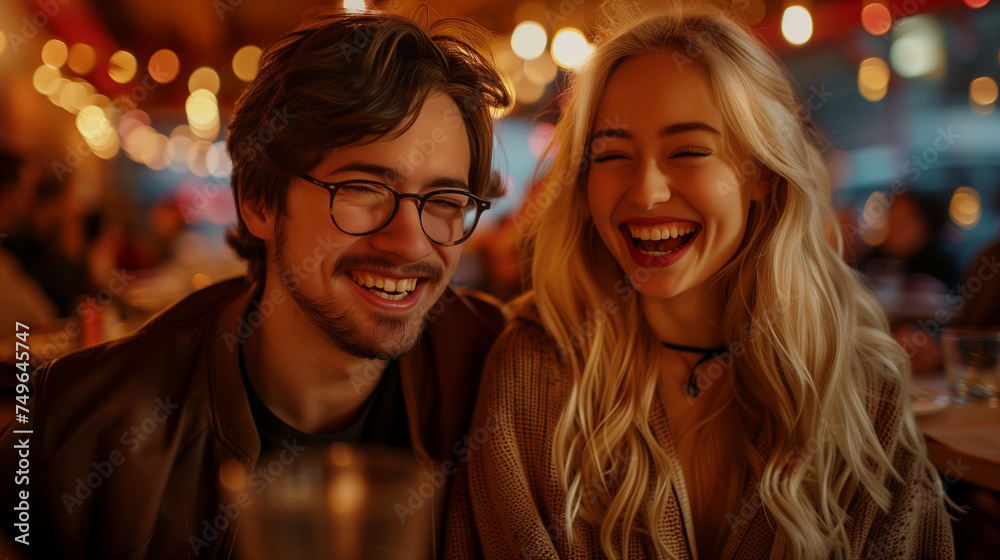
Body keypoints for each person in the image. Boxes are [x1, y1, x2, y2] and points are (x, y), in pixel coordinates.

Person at [444, 2, 954, 559]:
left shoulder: (860, 386)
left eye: (688, 151)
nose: (645, 192)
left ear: (760, 171)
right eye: (612, 155)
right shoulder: (532, 372)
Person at [0, 9, 510, 560]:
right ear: (259, 202)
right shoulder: (69, 431)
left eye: (445, 202)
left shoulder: (511, 378)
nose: (410, 243)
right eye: (364, 188)